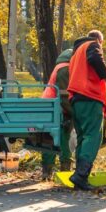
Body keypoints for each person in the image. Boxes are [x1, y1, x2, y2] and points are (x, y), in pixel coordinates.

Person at [67, 30, 106, 191]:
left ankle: (78, 176)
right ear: (99, 40)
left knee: (83, 137)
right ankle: (81, 175)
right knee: (93, 136)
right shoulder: (93, 45)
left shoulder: (75, 53)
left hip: (76, 98)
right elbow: (95, 58)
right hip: (90, 96)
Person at [41, 48, 74, 178]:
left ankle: (46, 172)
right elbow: (64, 94)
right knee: (63, 139)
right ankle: (65, 171)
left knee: (49, 140)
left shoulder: (59, 67)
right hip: (57, 108)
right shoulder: (66, 69)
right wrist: (73, 113)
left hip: (49, 106)